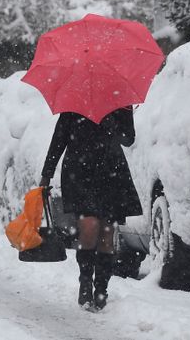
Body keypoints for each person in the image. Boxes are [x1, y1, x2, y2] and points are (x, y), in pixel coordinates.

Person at [39, 106, 142, 311]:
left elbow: (128, 138)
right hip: (79, 172)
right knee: (89, 226)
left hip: (112, 172)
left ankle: (102, 287)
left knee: (106, 231)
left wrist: (111, 124)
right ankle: (85, 282)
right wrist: (46, 173)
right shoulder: (75, 100)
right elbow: (60, 137)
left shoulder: (120, 102)